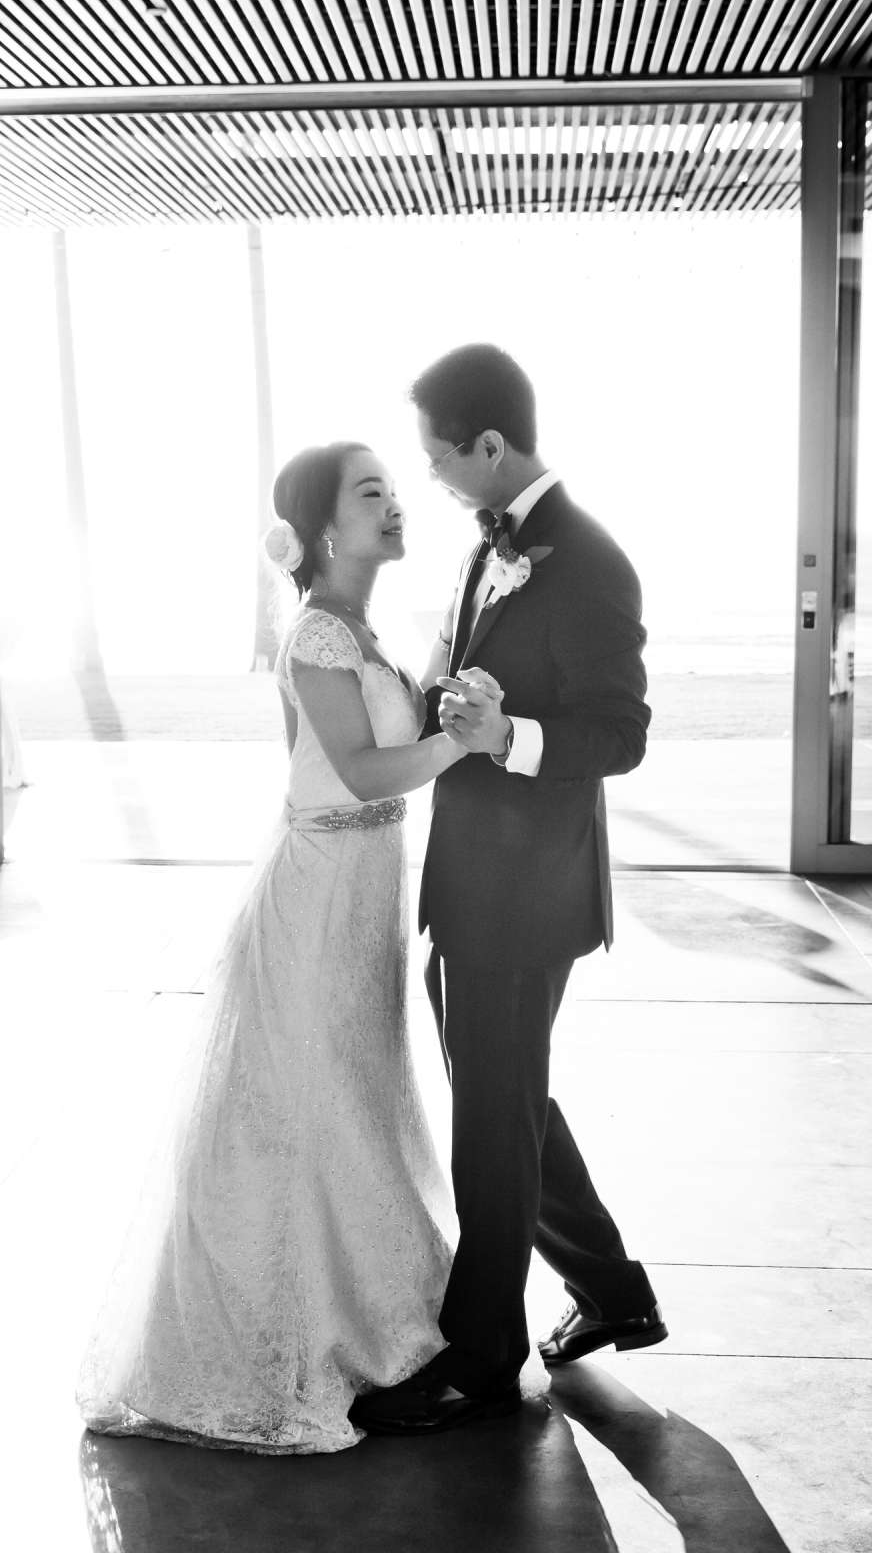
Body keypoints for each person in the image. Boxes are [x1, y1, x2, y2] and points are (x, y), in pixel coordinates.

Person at [76, 442, 467, 1453]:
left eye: (393, 487)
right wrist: (463, 742)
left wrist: (442, 685)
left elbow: (395, 737)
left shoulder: (366, 629)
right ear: (326, 531)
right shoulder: (317, 639)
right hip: (320, 888)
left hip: (367, 891)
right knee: (310, 1108)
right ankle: (305, 1348)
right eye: (370, 492)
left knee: (362, 1095)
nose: (394, 504)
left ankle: (381, 1327)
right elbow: (368, 770)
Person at [349, 343, 666, 1438]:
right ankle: (613, 1291)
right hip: (470, 882)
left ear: (490, 446)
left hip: (529, 897)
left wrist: (509, 735)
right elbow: (458, 674)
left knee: (491, 1121)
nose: (431, 477)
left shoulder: (587, 560)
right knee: (505, 1105)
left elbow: (619, 735)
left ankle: (481, 1358)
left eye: (440, 458)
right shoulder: (488, 550)